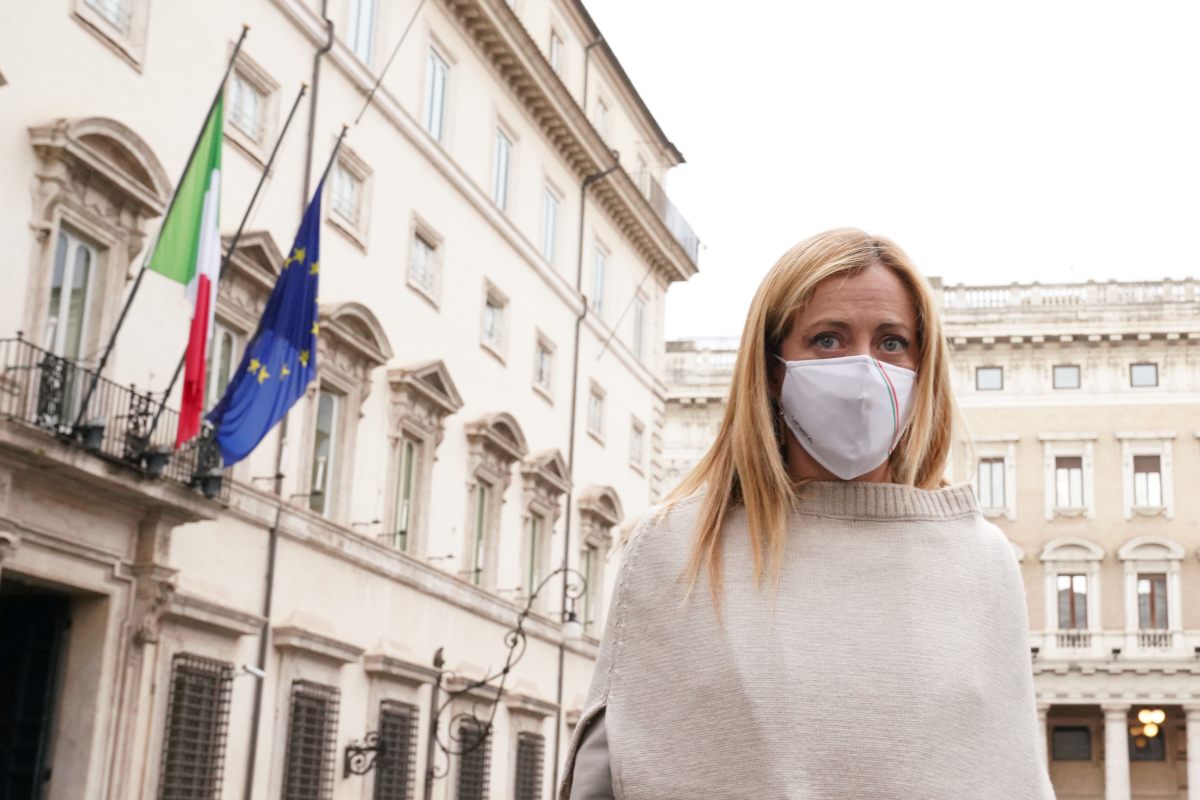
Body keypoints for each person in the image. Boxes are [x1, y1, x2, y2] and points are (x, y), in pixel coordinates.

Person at [559, 229, 1056, 799]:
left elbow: (1010, 774)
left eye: (892, 342)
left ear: (924, 367)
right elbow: (610, 773)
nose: (864, 370)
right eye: (828, 339)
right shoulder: (675, 548)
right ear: (773, 368)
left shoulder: (982, 560)